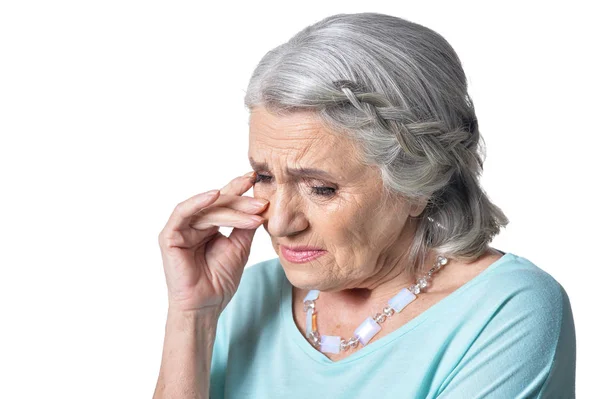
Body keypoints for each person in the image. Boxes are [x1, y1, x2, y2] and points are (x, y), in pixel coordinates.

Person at [152, 12, 576, 399]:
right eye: (264, 177)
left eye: (320, 188)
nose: (279, 224)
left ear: (418, 182)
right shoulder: (244, 295)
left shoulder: (505, 308)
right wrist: (192, 315)